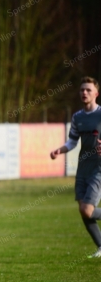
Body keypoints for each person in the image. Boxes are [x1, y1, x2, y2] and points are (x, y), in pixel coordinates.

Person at [49, 77, 101, 258]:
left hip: (99, 168)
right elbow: (72, 142)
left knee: (87, 210)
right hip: (83, 168)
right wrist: (59, 150)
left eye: (88, 90)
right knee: (83, 211)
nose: (84, 93)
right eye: (81, 90)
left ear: (96, 93)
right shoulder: (77, 117)